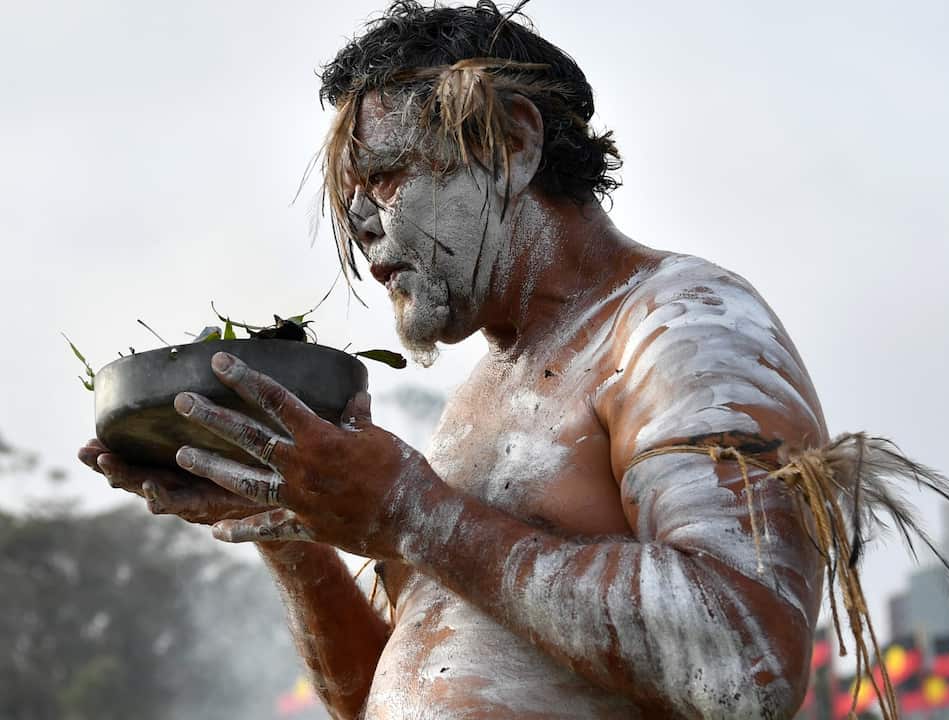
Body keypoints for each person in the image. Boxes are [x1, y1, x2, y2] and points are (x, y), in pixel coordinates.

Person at [79, 2, 831, 717]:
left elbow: (747, 662)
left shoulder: (681, 323)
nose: (363, 223)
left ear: (512, 143)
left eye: (386, 175)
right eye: (350, 195)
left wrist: (414, 514)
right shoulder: (478, 399)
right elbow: (387, 692)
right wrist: (285, 522)